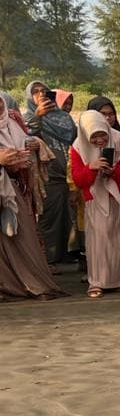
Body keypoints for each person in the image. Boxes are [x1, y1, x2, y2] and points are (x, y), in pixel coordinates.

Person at [69, 110, 120, 297]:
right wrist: (91, 167)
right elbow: (79, 180)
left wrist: (113, 171)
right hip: (95, 196)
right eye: (94, 137)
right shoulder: (78, 147)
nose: (100, 140)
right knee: (99, 240)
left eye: (103, 134)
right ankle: (97, 282)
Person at [0, 94, 62, 299]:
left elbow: (25, 140)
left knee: (22, 237)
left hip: (14, 189)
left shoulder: (13, 121)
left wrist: (31, 148)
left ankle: (29, 283)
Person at [23, 80, 76, 265]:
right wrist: (37, 117)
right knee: (49, 219)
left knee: (68, 218)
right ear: (29, 97)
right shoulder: (27, 118)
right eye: (35, 91)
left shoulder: (63, 117)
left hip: (67, 175)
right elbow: (25, 137)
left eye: (44, 91)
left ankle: (66, 254)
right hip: (47, 177)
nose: (41, 94)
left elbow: (73, 137)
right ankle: (48, 259)